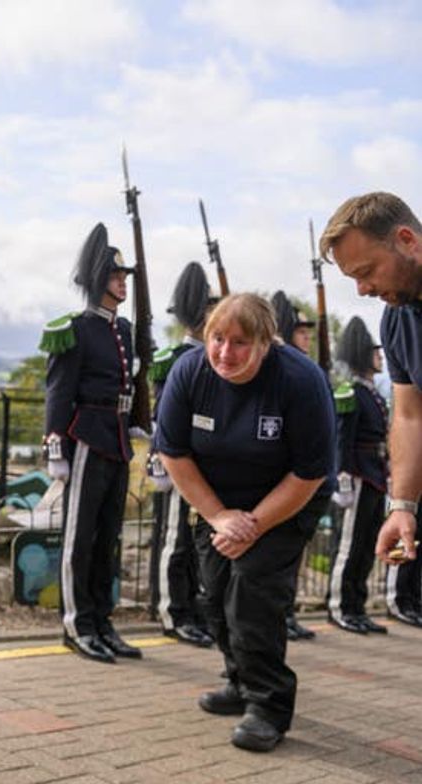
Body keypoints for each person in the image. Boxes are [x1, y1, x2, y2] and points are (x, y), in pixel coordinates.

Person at [154, 294, 335, 752]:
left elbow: (310, 472)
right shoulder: (189, 372)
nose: (224, 353)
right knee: (213, 593)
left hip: (289, 498)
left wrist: (251, 524)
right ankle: (239, 682)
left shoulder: (300, 379)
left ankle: (268, 707)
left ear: (265, 343)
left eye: (239, 343)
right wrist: (218, 516)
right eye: (217, 338)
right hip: (217, 500)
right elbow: (174, 452)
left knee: (252, 595)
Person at [41, 222, 142, 664]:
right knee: (79, 537)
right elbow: (59, 391)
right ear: (99, 279)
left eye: (125, 277)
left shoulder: (124, 331)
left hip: (117, 438)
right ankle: (77, 624)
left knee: (107, 538)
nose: (124, 282)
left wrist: (141, 422)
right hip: (86, 438)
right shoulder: (75, 329)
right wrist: (55, 447)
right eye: (118, 275)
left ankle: (103, 620)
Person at [318, 193, 422, 568]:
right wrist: (403, 506)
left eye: (366, 271)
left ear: (407, 241)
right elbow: (411, 417)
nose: (363, 290)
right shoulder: (396, 322)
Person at [146, 262, 215, 647]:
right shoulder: (173, 359)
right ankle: (173, 612)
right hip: (178, 459)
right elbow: (161, 418)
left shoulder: (214, 358)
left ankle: (194, 608)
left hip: (204, 463)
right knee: (175, 540)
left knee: (194, 542)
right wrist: (159, 459)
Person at [327, 318, 391, 632]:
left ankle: (357, 606)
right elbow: (342, 439)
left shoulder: (374, 394)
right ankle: (340, 606)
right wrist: (342, 478)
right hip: (358, 475)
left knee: (367, 545)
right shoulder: (349, 392)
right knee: (349, 545)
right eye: (374, 352)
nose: (380, 357)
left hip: (375, 474)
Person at [270, 291, 325, 642]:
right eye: (302, 331)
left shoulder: (308, 371)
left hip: (312, 477)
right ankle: (277, 616)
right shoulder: (284, 372)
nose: (307, 336)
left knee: (293, 559)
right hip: (285, 478)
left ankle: (285, 613)